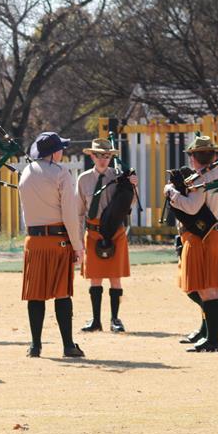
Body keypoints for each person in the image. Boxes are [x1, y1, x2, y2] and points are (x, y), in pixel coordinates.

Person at [17, 132, 85, 358]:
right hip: (57, 240)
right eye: (61, 149)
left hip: (33, 240)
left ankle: (35, 345)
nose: (63, 152)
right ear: (54, 152)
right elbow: (70, 214)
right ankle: (68, 345)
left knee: (35, 294)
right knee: (62, 293)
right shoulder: (61, 173)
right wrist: (78, 245)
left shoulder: (26, 172)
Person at [164, 135, 218, 353]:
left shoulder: (200, 180)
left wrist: (172, 193)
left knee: (205, 289)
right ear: (213, 155)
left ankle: (212, 339)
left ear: (194, 158)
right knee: (210, 288)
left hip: (201, 238)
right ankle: (211, 335)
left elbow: (192, 208)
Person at [76, 138, 138, 333]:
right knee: (94, 278)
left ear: (111, 157)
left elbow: (131, 204)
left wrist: (133, 186)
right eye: (99, 155)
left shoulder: (120, 178)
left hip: (115, 232)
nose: (103, 159)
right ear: (92, 156)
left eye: (107, 156)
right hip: (93, 232)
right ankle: (95, 320)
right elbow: (79, 211)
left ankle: (115, 319)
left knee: (115, 277)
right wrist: (78, 240)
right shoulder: (83, 179)